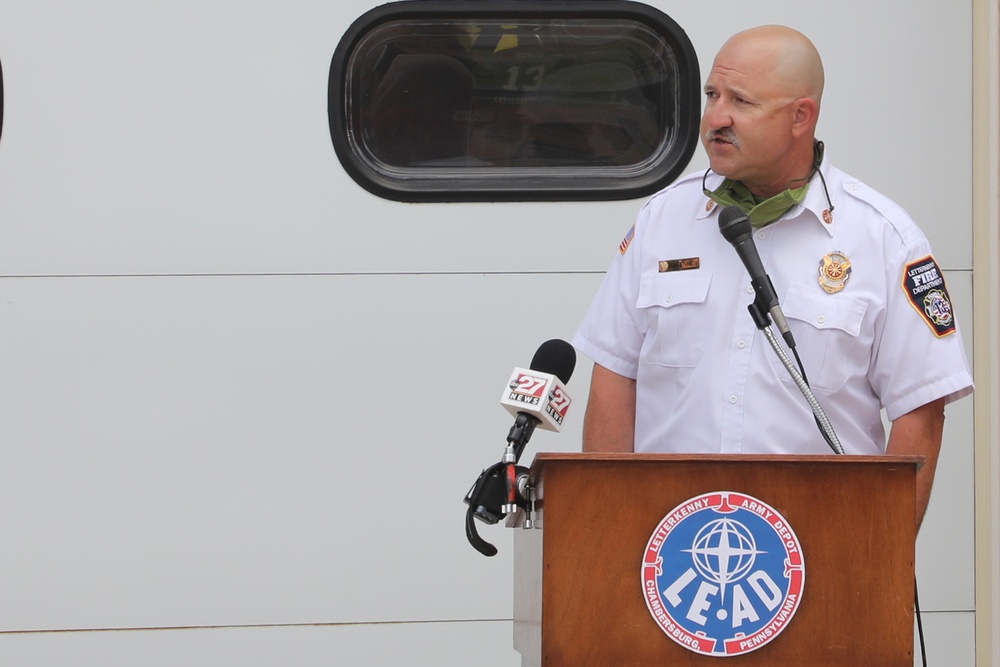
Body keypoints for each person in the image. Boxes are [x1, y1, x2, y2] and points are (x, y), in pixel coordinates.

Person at [571, 25, 973, 529]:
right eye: (713, 96)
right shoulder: (663, 219)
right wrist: (609, 534)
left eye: (741, 100)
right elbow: (614, 374)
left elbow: (921, 409)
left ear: (801, 116)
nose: (716, 118)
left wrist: (878, 563)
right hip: (667, 550)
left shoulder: (884, 238)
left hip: (817, 550)